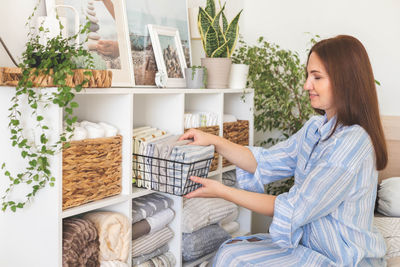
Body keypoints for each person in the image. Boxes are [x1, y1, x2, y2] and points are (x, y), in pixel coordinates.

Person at [179, 35, 387, 266]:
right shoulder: (314, 129)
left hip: (341, 257)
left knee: (236, 260)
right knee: (230, 251)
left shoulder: (353, 142)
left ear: (345, 81)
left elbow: (295, 208)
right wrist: (214, 140)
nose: (307, 85)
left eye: (317, 77)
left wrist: (222, 191)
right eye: (308, 76)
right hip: (307, 247)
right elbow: (264, 162)